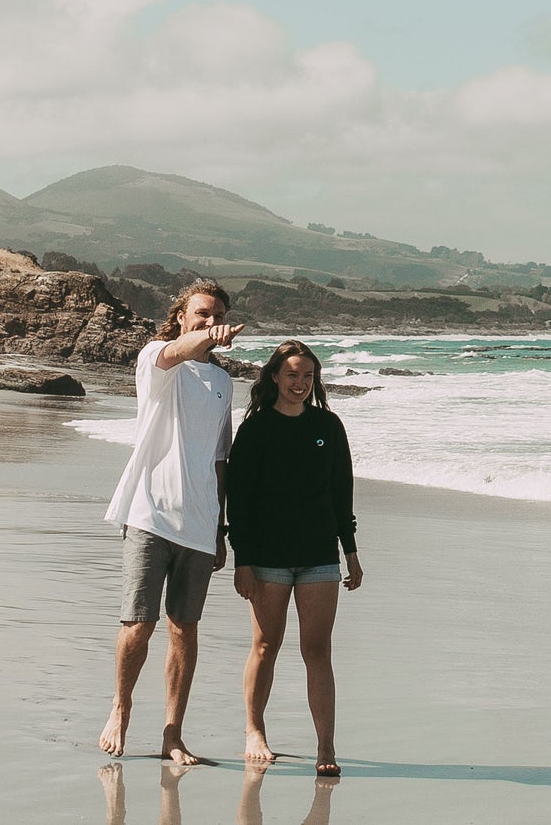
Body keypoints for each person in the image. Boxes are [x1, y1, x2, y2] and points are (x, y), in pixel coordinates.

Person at [100, 280, 243, 766]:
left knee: (185, 630)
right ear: (181, 315)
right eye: (201, 313)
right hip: (150, 514)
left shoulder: (224, 383)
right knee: (138, 625)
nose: (209, 321)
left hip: (201, 524)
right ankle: (121, 707)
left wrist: (221, 529)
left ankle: (172, 734)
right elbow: (181, 351)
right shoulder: (157, 358)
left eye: (217, 315)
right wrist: (204, 338)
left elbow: (220, 459)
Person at [222, 340, 363, 776]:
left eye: (307, 377)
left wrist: (351, 552)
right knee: (266, 645)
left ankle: (326, 747)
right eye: (292, 375)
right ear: (274, 378)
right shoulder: (256, 429)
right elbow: (239, 498)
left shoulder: (329, 425)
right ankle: (254, 730)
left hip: (320, 555)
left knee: (317, 650)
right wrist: (241, 558)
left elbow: (342, 493)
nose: (300, 383)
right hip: (267, 557)